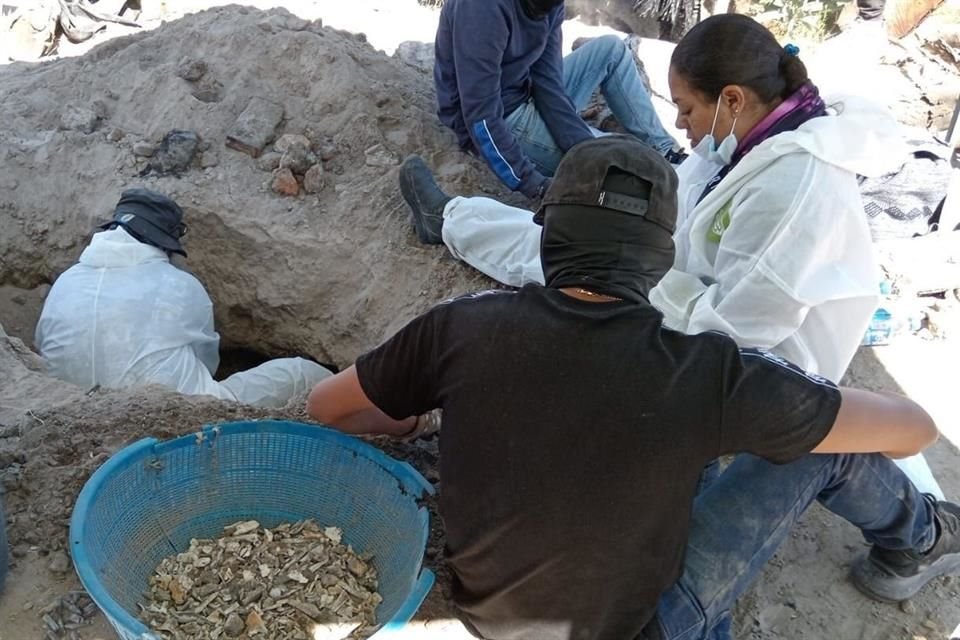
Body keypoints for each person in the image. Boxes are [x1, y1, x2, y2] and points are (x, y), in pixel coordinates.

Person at [307, 136, 958, 640]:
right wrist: (804, 406)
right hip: (642, 628)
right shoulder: (706, 372)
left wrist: (408, 422)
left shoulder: (461, 326)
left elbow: (324, 407)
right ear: (660, 254)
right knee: (825, 443)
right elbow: (915, 429)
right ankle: (923, 542)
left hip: (490, 620)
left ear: (549, 232)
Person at [400, 13, 943, 498]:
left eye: (685, 108)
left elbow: (739, 329)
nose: (680, 124)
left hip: (751, 353)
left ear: (731, 98)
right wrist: (614, 227)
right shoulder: (747, 137)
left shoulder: (797, 184)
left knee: (590, 288)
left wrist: (636, 281)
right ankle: (449, 218)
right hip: (689, 286)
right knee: (571, 241)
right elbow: (684, 202)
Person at [35, 188, 332, 409]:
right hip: (168, 409)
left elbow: (44, 347)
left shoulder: (67, 281)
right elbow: (207, 362)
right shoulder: (178, 285)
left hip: (73, 409)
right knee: (298, 373)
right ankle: (344, 389)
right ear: (163, 243)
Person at [430, 0, 682, 207]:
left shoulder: (549, 5)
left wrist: (580, 143)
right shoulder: (482, 8)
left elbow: (548, 83)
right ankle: (658, 176)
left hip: (524, 90)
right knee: (617, 167)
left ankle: (666, 151)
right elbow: (480, 115)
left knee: (611, 50)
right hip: (502, 115)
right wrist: (534, 183)